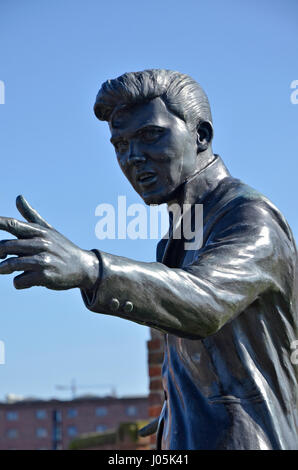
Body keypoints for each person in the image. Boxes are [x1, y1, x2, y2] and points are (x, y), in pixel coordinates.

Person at [0, 69, 297, 449]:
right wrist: (177, 414)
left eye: (150, 135)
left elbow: (205, 301)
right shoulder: (176, 238)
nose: (133, 157)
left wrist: (91, 269)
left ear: (200, 135)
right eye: (120, 144)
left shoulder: (248, 217)